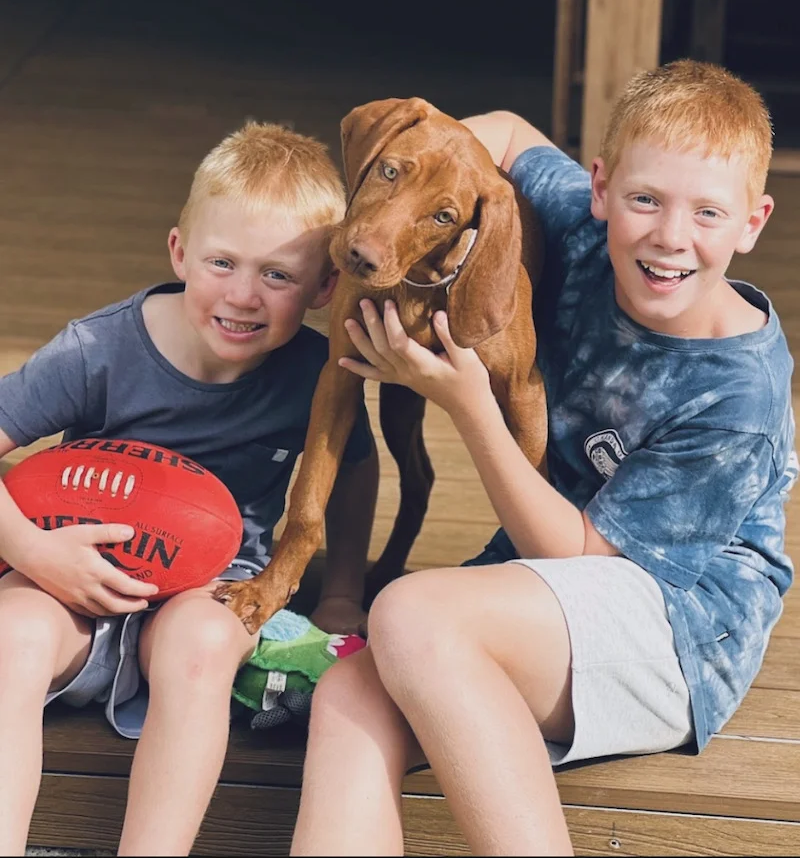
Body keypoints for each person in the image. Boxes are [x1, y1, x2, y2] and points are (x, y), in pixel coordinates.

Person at [289, 59, 797, 856]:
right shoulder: (586, 231)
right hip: (547, 587)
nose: (670, 235)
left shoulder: (736, 393)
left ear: (752, 222)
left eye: (707, 212)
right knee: (350, 690)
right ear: (601, 189)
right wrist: (388, 213)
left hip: (674, 633)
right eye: (645, 200)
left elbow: (582, 554)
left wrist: (469, 405)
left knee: (409, 614)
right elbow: (499, 135)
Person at [0, 120, 378, 856]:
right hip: (72, 566)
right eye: (222, 262)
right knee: (11, 633)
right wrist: (32, 551)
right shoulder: (98, 350)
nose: (243, 294)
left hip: (215, 577)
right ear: (179, 251)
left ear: (325, 286)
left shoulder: (316, 372)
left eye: (277, 275)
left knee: (202, 646)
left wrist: (342, 589)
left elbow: (351, 463)